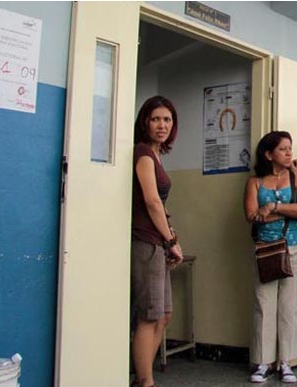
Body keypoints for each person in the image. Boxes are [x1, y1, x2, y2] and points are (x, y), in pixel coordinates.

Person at [243, 131, 297, 383]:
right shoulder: (255, 182)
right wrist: (287, 213)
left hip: (293, 247)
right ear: (269, 154)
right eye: (283, 149)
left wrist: (273, 207)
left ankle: (286, 361)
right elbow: (251, 215)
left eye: (290, 148)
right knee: (264, 304)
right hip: (265, 248)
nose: (288, 152)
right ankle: (263, 361)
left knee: (289, 306)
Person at [131, 96, 184, 387]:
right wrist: (169, 240)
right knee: (149, 317)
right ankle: (145, 380)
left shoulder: (156, 153)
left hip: (158, 242)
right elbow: (152, 201)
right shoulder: (142, 152)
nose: (162, 125)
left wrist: (172, 238)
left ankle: (140, 377)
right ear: (145, 122)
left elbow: (161, 206)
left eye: (167, 119)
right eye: (155, 119)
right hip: (145, 241)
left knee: (164, 315)